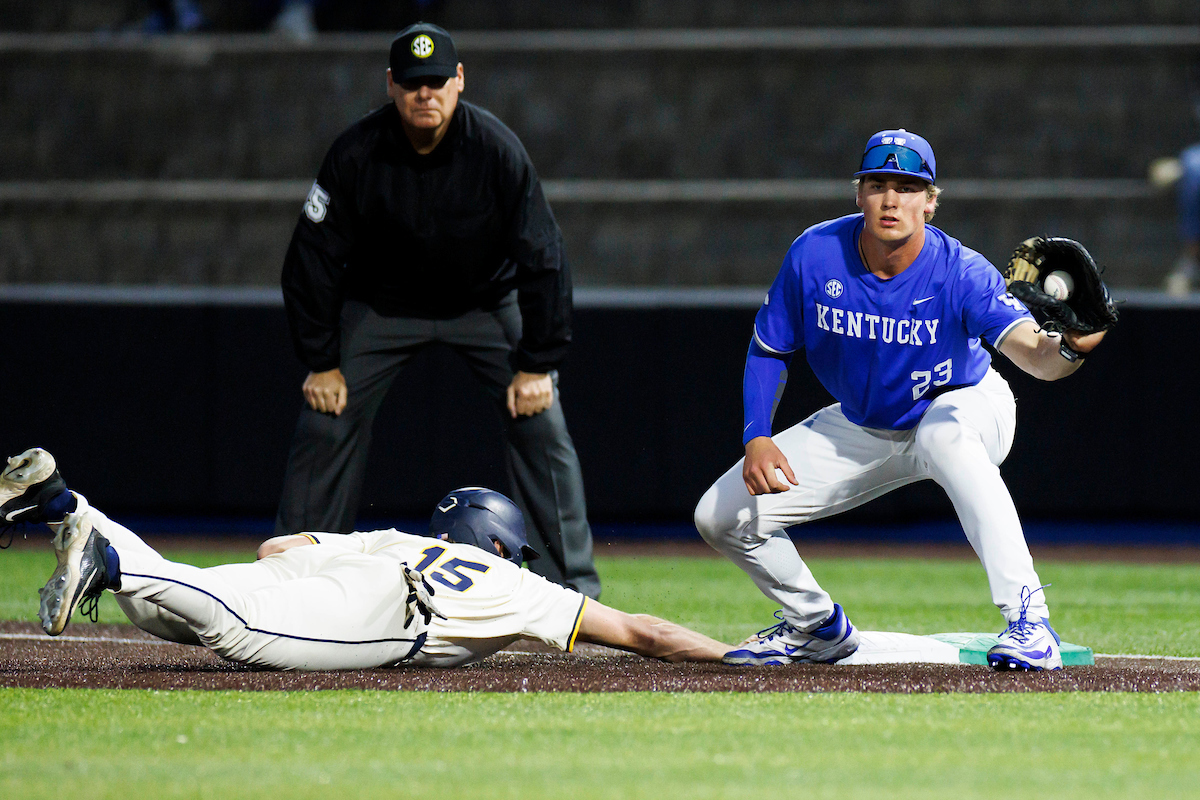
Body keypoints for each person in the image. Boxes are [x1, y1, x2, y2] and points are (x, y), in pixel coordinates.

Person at [693, 129, 1107, 672]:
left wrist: (1072, 349)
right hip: (863, 425)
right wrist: (757, 436)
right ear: (858, 194)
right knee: (718, 517)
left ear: (931, 203)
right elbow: (769, 349)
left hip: (965, 404)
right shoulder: (814, 254)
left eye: (908, 187)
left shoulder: (961, 270)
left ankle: (1030, 622)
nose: (892, 199)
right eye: (878, 184)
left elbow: (1034, 357)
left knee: (945, 434)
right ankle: (816, 626)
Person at [276, 22, 600, 598]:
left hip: (484, 302)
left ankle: (569, 590)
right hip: (382, 308)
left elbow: (545, 257)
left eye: (436, 82)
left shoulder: (498, 151)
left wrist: (536, 363)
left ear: (459, 81)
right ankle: (295, 585)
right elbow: (311, 259)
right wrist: (321, 361)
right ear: (391, 85)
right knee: (325, 421)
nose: (424, 94)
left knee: (542, 420)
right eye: (411, 83)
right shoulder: (355, 154)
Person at [2, 449, 726, 670]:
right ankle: (106, 558)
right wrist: (733, 657)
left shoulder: (402, 536)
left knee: (173, 606)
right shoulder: (513, 583)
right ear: (497, 539)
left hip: (337, 567)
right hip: (383, 607)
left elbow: (277, 549)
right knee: (239, 633)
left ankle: (70, 507)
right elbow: (644, 633)